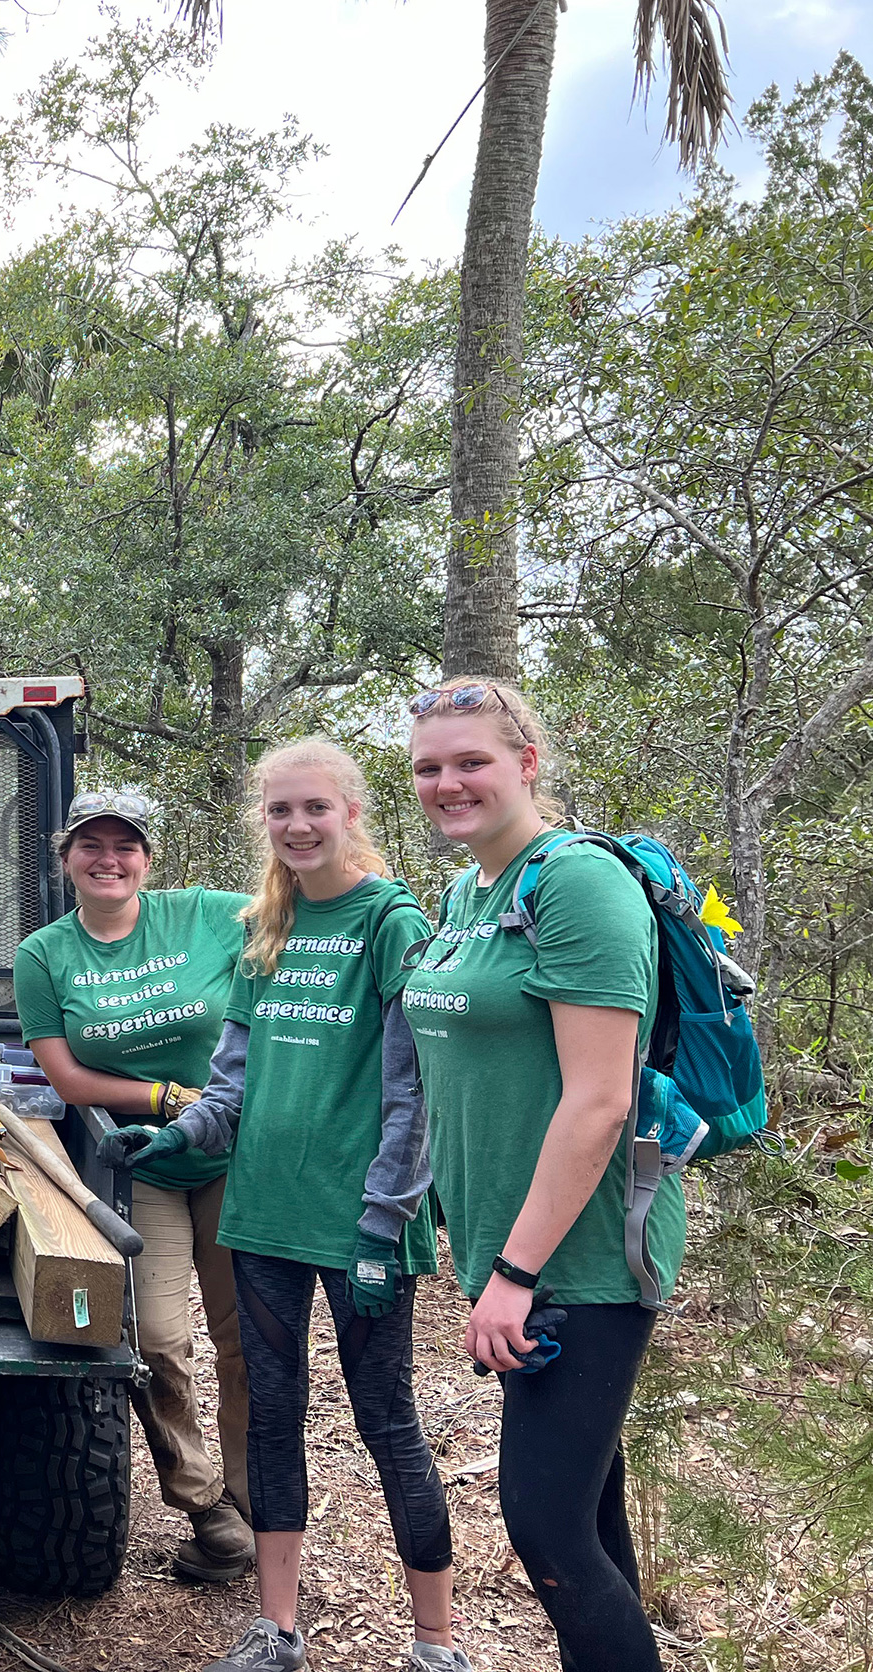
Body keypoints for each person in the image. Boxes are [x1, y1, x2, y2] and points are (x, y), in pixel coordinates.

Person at [106, 741, 467, 1672]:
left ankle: (435, 1645)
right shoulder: (264, 927)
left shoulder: (391, 922)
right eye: (280, 812)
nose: (298, 826)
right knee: (271, 1415)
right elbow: (231, 1087)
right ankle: (277, 1631)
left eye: (315, 808)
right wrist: (174, 1137)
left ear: (351, 811)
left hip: (359, 1228)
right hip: (261, 1215)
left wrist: (388, 1218)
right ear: (262, 823)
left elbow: (414, 1090)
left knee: (387, 1421)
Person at [400, 677, 676, 1672]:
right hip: (512, 1247)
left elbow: (600, 1100)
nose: (447, 783)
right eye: (429, 767)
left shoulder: (576, 882)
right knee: (588, 1523)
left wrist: (515, 1275)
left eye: (470, 761)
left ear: (526, 762)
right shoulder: (473, 891)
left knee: (548, 1533)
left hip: (582, 1257)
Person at [14, 784, 255, 1583]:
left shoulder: (209, 916)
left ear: (147, 860)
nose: (108, 859)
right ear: (67, 860)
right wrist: (161, 1098)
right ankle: (204, 1502)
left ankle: (259, 1506)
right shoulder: (45, 955)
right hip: (144, 1161)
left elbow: (312, 915)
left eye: (125, 846)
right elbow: (67, 1077)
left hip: (237, 1155)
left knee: (247, 1339)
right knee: (156, 1340)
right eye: (91, 845)